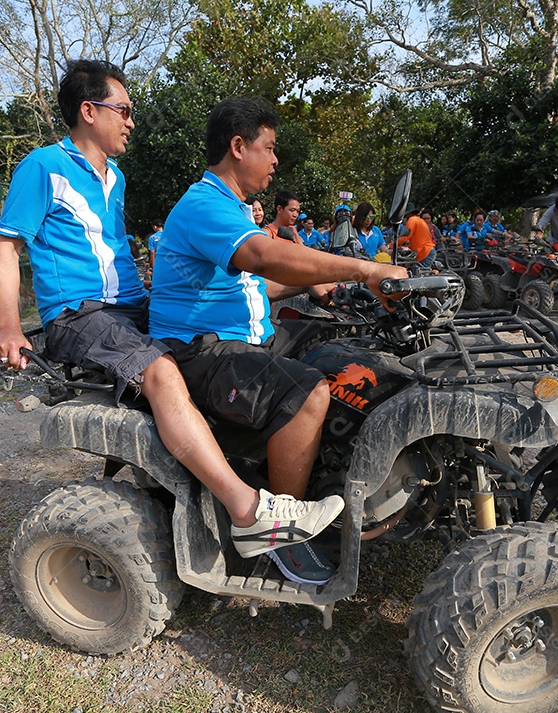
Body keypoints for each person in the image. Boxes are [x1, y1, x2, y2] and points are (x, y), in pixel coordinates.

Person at [0, 60, 343, 568]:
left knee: (202, 340)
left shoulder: (115, 177)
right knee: (162, 370)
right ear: (89, 111)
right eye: (124, 110)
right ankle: (247, 511)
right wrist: (7, 326)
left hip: (130, 308)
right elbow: (6, 246)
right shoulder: (43, 166)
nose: (132, 121)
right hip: (80, 314)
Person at [148, 97, 407, 584]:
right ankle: (278, 532)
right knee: (309, 391)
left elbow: (252, 283)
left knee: (340, 353)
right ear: (239, 147)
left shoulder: (232, 208)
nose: (275, 161)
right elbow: (263, 258)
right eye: (269, 149)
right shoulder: (204, 205)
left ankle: (327, 477)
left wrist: (310, 283)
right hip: (199, 350)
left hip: (245, 337)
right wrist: (367, 268)